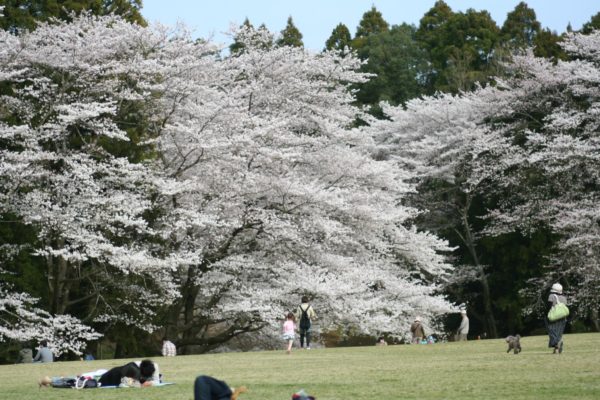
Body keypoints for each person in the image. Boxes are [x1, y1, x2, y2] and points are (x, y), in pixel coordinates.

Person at [546, 283, 567, 354]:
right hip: (562, 317)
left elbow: (548, 306)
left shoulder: (551, 296)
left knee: (552, 331)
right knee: (558, 332)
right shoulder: (564, 297)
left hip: (554, 317)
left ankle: (557, 344)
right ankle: (556, 348)